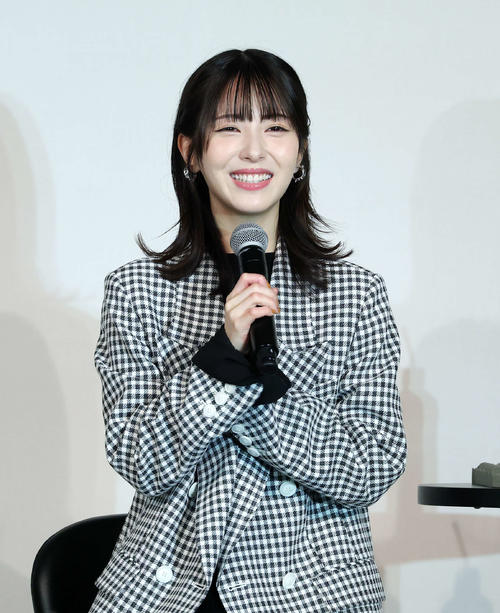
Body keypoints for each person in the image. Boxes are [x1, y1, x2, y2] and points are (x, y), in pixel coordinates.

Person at [90, 49, 406, 613]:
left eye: (276, 128)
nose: (254, 149)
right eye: (230, 127)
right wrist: (221, 362)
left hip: (311, 593)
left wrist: (256, 385)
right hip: (172, 591)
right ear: (191, 151)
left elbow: (373, 466)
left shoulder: (356, 295)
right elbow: (140, 459)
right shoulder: (136, 291)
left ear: (300, 152)